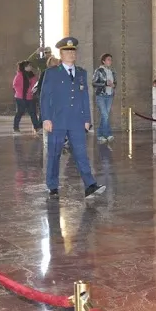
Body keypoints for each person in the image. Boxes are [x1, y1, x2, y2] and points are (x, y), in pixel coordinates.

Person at [40, 36, 106, 199]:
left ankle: (90, 185)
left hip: (76, 120)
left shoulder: (82, 73)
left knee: (81, 153)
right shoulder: (52, 73)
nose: (71, 54)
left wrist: (87, 119)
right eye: (67, 51)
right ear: (61, 54)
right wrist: (46, 118)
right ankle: (52, 185)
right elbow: (44, 97)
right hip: (57, 120)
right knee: (54, 153)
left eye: (73, 51)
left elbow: (84, 97)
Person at [92, 53, 117, 143]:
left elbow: (115, 83)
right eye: (108, 59)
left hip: (109, 96)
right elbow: (94, 83)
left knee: (105, 116)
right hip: (101, 96)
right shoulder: (99, 71)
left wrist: (114, 85)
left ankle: (100, 135)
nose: (110, 61)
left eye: (111, 59)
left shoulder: (112, 71)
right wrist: (105, 84)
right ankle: (107, 134)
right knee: (105, 115)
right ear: (103, 61)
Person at [13, 61, 42, 134]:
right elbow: (15, 85)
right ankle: (16, 127)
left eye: (30, 66)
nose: (30, 67)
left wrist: (32, 91)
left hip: (30, 97)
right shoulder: (19, 75)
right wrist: (24, 91)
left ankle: (37, 127)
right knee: (20, 112)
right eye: (29, 66)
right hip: (20, 97)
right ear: (24, 67)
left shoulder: (32, 75)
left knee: (33, 113)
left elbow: (35, 84)